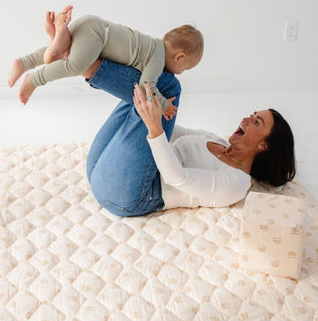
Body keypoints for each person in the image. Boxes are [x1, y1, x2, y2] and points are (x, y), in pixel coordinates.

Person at [82, 57, 296, 216]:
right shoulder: (217, 140)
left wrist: (154, 125)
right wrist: (159, 111)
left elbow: (177, 178)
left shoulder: (237, 183)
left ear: (264, 146)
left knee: (167, 86)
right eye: (252, 115)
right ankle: (85, 59)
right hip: (99, 170)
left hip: (131, 193)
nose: (246, 119)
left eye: (256, 122)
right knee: (155, 94)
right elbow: (171, 129)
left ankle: (85, 65)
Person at [7, 6, 204, 121]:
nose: (181, 72)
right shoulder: (157, 59)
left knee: (62, 52)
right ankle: (34, 79)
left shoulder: (152, 43)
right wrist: (163, 105)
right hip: (98, 37)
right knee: (74, 65)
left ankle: (24, 62)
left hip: (92, 25)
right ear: (179, 57)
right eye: (185, 68)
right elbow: (147, 86)